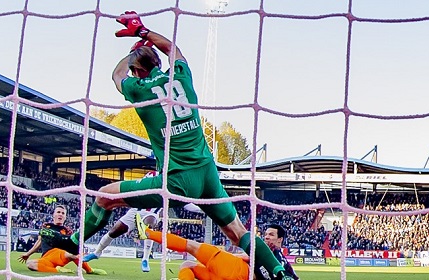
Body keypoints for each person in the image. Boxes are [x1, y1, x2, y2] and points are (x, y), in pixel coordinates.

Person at [40, 11, 286, 279]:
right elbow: (174, 49)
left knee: (105, 195)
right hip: (207, 174)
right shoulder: (182, 77)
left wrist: (133, 51)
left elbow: (116, 74)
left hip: (178, 178)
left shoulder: (139, 89)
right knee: (238, 232)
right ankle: (279, 272)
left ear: (137, 71)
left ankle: (73, 242)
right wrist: (143, 32)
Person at [134, 214, 294, 280]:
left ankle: (147, 233)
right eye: (265, 234)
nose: (266, 237)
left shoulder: (275, 258)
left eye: (271, 235)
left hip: (237, 271)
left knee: (191, 246)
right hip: (232, 274)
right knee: (187, 265)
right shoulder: (283, 263)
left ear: (280, 239)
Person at [17, 205, 106, 275]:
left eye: (63, 213)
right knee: (30, 264)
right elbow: (39, 242)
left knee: (73, 250)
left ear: (65, 217)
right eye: (58, 212)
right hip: (47, 258)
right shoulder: (46, 226)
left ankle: (89, 270)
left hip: (61, 256)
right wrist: (28, 254)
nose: (60, 214)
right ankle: (57, 270)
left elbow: (73, 248)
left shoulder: (67, 231)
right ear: (54, 215)